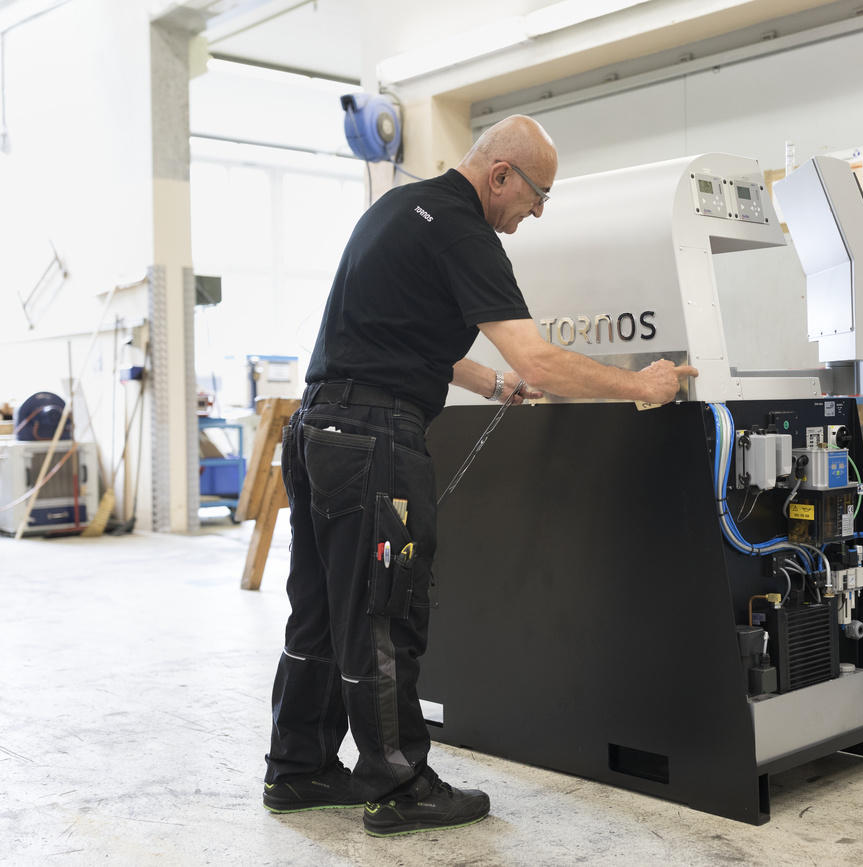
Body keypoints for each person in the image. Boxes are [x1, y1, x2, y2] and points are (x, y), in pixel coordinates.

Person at [261, 114, 698, 838]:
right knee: (383, 612)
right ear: (501, 175)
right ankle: (400, 785)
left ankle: (299, 768)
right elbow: (542, 362)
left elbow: (395, 335)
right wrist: (639, 385)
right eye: (537, 196)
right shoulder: (464, 230)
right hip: (373, 443)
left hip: (319, 433)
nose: (536, 213)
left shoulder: (401, 209)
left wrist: (489, 384)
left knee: (318, 614)